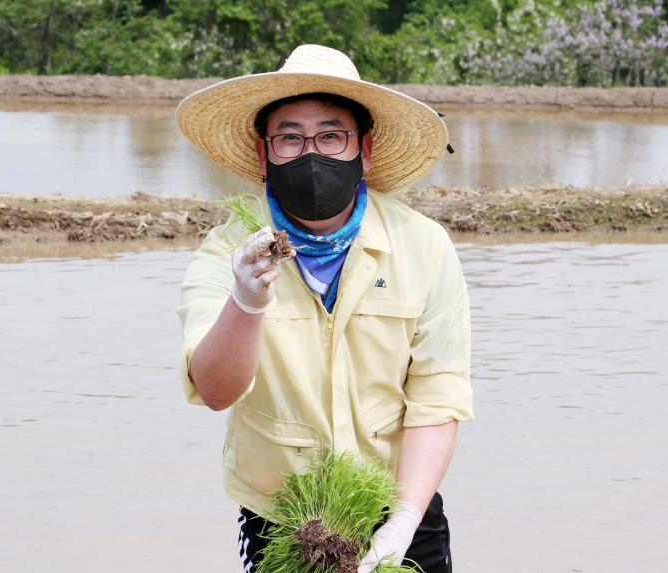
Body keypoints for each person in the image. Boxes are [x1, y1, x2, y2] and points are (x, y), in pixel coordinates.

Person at [175, 44, 473, 573]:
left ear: (367, 150)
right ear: (264, 154)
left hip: (400, 503)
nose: (311, 153)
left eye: (331, 135)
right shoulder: (228, 253)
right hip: (283, 519)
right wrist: (245, 302)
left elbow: (437, 398)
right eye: (290, 137)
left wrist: (401, 523)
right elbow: (217, 391)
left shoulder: (424, 247)